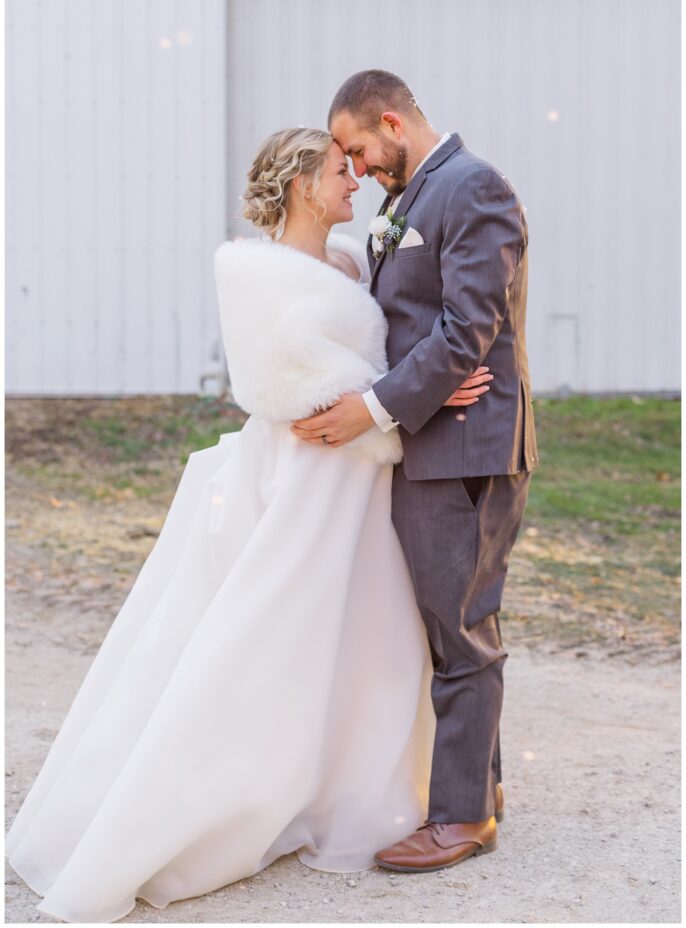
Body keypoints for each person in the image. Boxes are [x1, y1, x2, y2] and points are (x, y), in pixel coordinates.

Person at [6, 126, 490, 923]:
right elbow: (283, 384)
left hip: (358, 482)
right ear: (303, 182)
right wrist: (404, 406)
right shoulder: (254, 270)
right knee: (270, 639)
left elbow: (373, 365)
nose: (356, 181)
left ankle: (333, 781)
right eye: (341, 171)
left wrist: (409, 395)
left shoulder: (345, 261)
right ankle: (206, 800)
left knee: (364, 639)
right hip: (307, 479)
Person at [292, 71, 538, 873]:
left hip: (466, 445)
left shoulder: (471, 187)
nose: (358, 171)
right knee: (446, 624)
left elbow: (470, 326)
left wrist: (377, 405)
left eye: (360, 150)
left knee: (461, 631)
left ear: (392, 122)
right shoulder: (412, 200)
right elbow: (421, 325)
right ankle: (482, 791)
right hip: (431, 437)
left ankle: (462, 817)